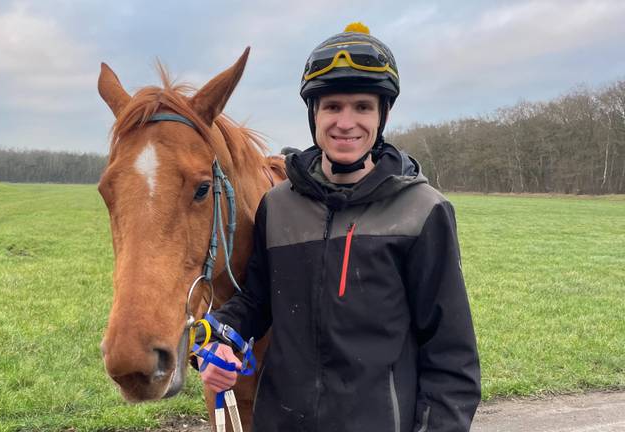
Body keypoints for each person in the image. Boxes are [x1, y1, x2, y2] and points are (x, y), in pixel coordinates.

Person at [199, 22, 481, 432]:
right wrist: (220, 332)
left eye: (362, 107)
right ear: (314, 112)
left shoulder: (422, 210)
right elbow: (258, 300)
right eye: (332, 106)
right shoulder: (278, 206)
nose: (346, 122)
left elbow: (451, 356)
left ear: (382, 115)